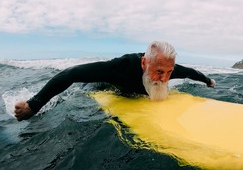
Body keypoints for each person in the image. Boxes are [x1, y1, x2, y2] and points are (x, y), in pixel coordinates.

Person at [14, 41, 216, 121]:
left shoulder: (169, 69)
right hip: (105, 86)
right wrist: (34, 104)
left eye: (169, 72)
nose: (164, 78)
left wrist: (208, 81)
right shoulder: (121, 67)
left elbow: (191, 72)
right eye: (159, 71)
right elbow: (72, 74)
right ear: (144, 63)